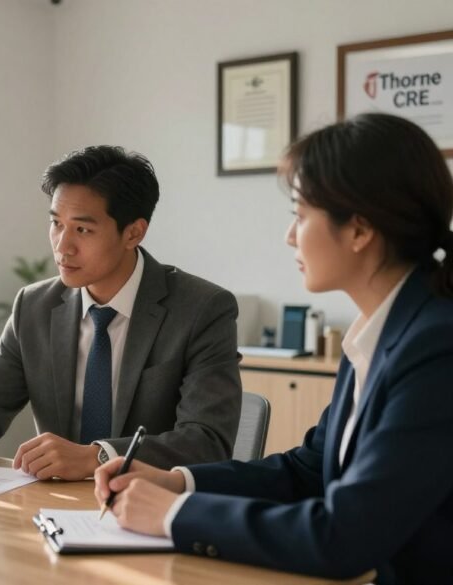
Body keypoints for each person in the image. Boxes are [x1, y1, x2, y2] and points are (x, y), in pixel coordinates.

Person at [94, 113, 453, 584]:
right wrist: (177, 481)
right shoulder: (378, 331)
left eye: (301, 216)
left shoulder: (435, 347)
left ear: (360, 231)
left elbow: (343, 537)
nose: (289, 236)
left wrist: (174, 515)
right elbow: (308, 471)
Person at [0, 145, 242, 482]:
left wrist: (97, 456)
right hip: (54, 510)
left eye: (82, 230)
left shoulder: (202, 309)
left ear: (133, 232)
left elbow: (207, 441)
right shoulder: (34, 306)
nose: (62, 246)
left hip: (151, 511)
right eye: (57, 224)